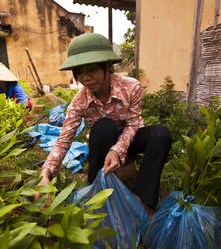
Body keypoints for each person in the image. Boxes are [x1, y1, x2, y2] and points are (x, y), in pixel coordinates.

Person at [35, 33, 172, 215]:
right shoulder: (79, 101)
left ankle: (142, 201)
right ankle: (96, 187)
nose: (85, 78)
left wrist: (117, 150)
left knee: (160, 134)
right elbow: (64, 139)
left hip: (130, 140)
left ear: (108, 67)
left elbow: (132, 124)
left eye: (91, 70)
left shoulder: (132, 87)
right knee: (103, 127)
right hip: (103, 143)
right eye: (79, 72)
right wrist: (46, 172)